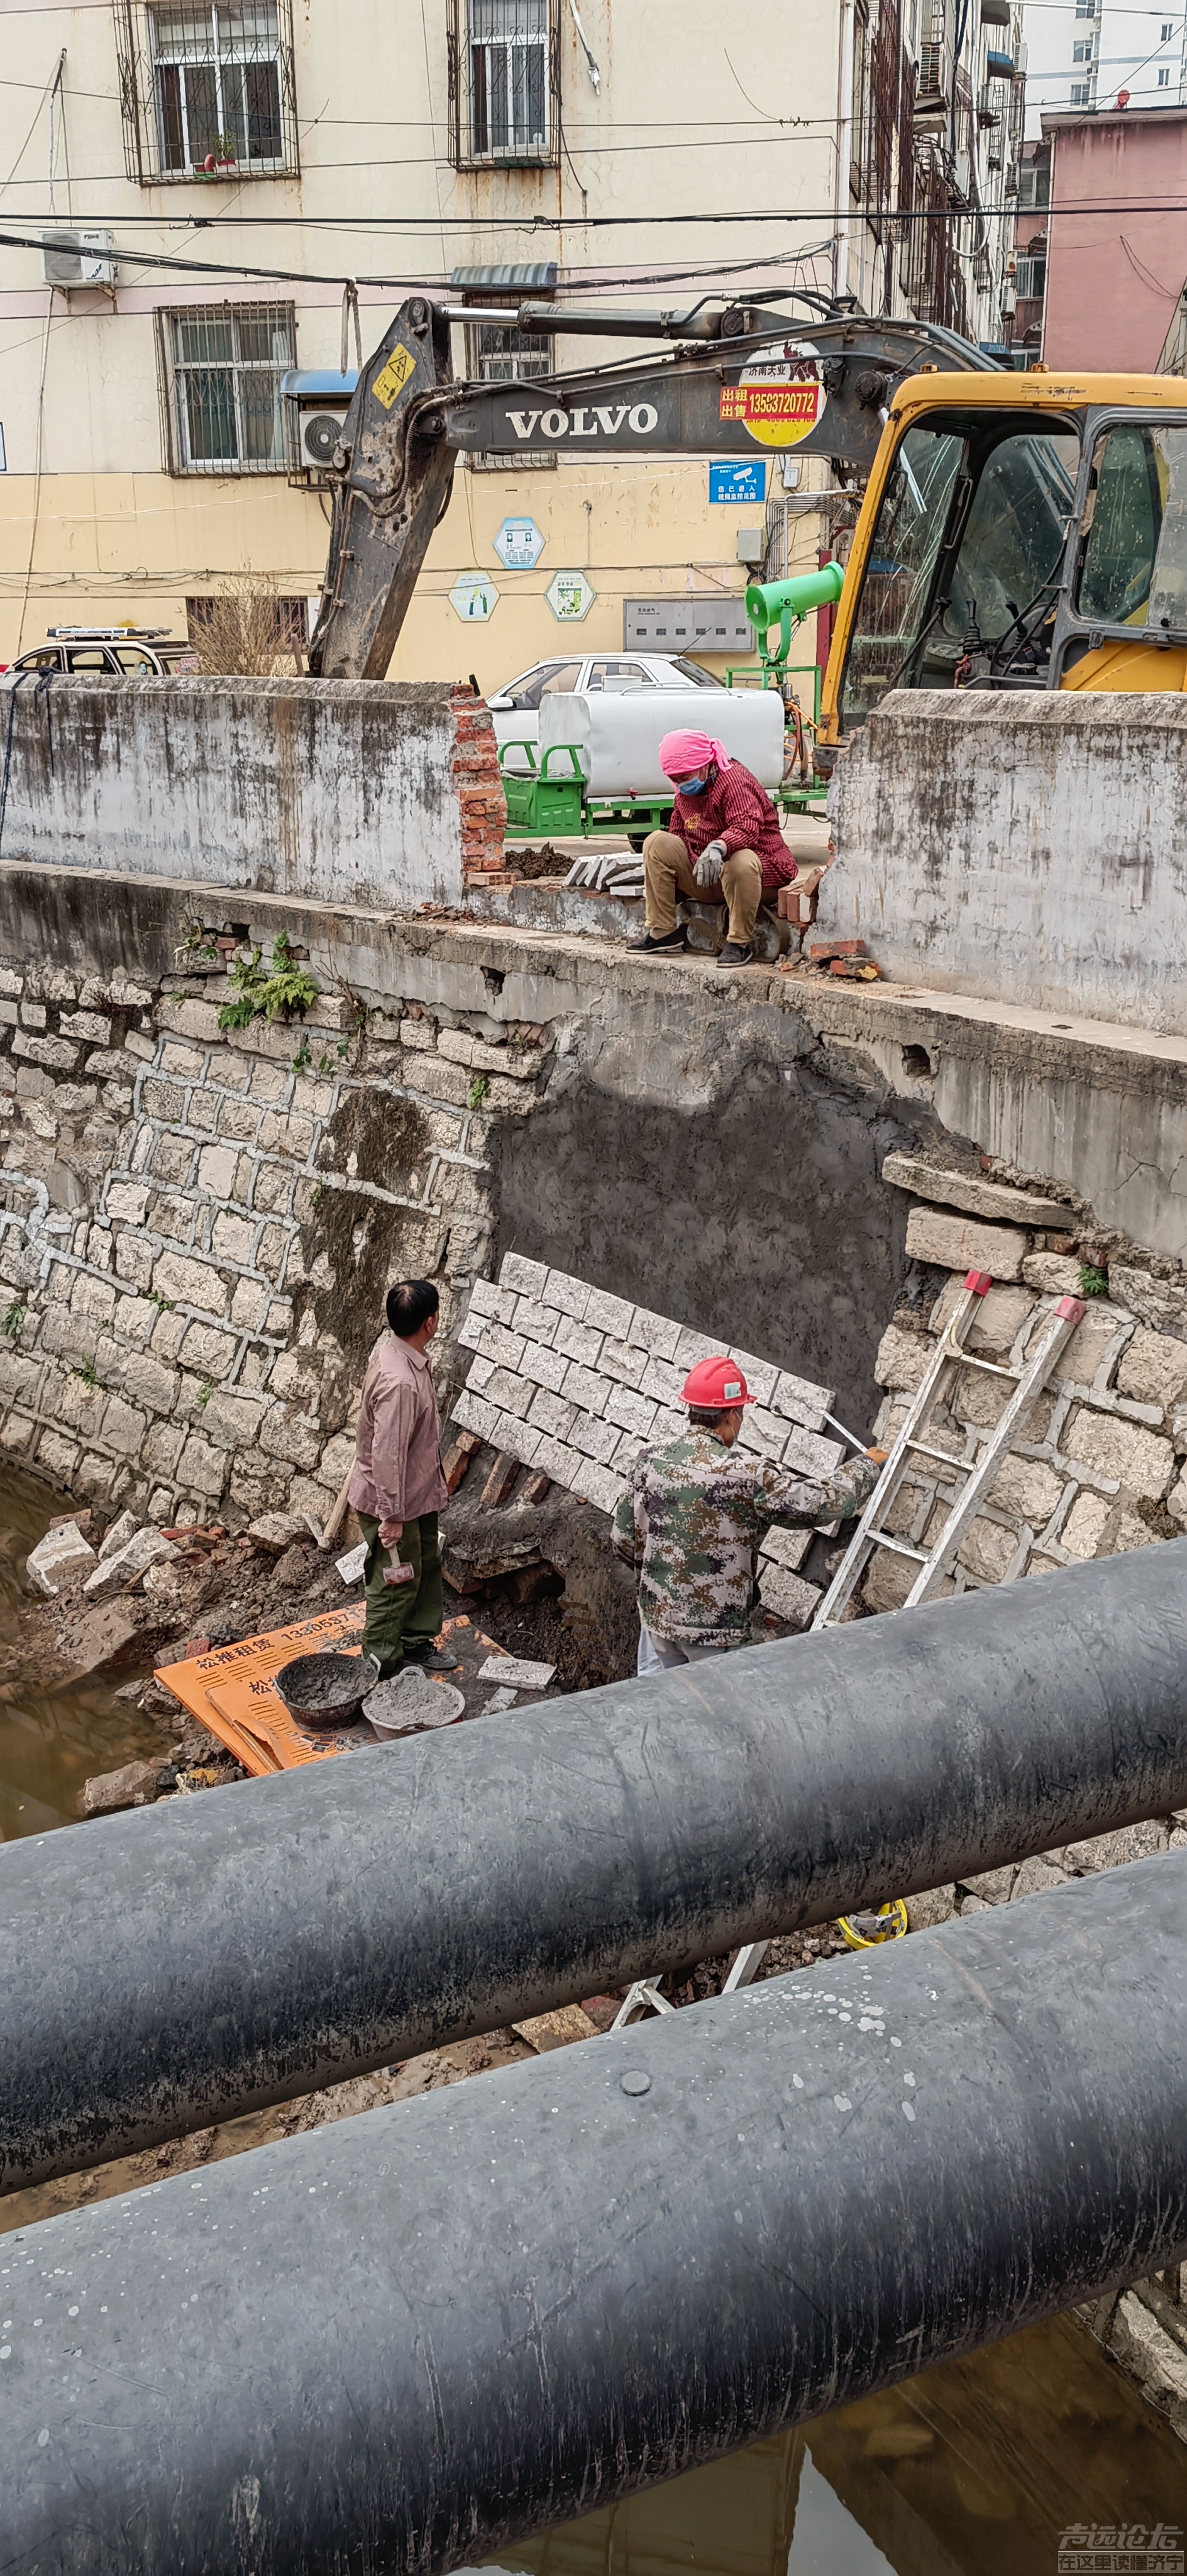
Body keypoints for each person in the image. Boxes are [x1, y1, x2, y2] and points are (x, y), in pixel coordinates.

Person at [612, 1353, 884, 1674]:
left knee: (657, 1708)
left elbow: (623, 1540)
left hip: (656, 1622)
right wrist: (867, 1465)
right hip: (715, 1632)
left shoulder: (649, 1459)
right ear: (732, 1416)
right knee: (718, 1712)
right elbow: (820, 1505)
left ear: (691, 1409)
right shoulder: (747, 1474)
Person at [348, 1278, 459, 1680]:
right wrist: (390, 1516)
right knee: (395, 1580)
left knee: (424, 1563)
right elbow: (387, 1455)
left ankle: (415, 1641)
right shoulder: (400, 1383)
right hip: (395, 1500)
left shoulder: (398, 1352)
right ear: (429, 1323)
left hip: (417, 1492)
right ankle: (380, 1663)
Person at [629, 728, 798, 971]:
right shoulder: (685, 792)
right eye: (674, 779)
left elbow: (747, 825)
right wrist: (672, 882)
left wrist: (720, 846)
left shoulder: (735, 781)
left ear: (704, 765)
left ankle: (739, 943)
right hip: (713, 879)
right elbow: (677, 835)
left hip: (760, 878)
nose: (679, 783)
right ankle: (663, 931)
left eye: (684, 777)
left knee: (740, 860)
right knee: (657, 842)